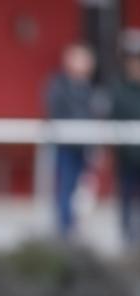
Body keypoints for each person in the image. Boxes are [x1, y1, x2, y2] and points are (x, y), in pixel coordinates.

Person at [46, 43, 97, 238]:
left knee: (82, 188)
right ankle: (63, 228)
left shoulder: (88, 88)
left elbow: (93, 116)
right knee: (65, 185)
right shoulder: (58, 85)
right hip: (65, 144)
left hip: (84, 145)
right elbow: (54, 110)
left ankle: (75, 226)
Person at [110, 33, 140, 244]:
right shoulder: (117, 87)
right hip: (125, 154)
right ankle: (126, 237)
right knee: (125, 197)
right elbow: (113, 116)